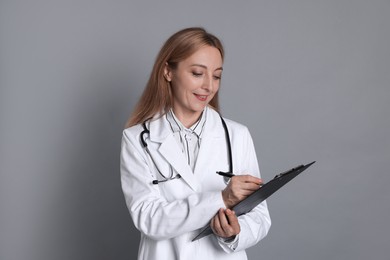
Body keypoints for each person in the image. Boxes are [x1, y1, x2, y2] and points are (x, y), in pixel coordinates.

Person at [120, 27, 271, 260]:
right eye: (198, 73)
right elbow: (148, 218)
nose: (209, 86)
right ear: (168, 71)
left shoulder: (236, 135)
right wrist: (222, 199)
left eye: (217, 75)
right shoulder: (138, 139)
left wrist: (234, 234)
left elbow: (260, 217)